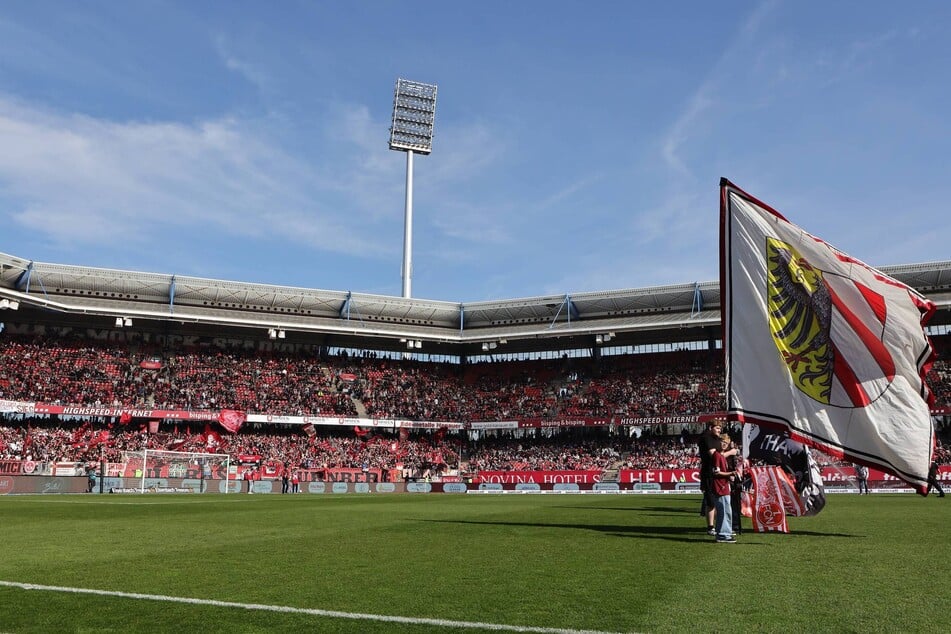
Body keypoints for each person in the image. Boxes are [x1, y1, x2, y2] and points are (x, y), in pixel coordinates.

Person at [698, 419, 737, 535]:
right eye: (717, 428)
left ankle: (721, 526)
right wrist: (731, 452)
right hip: (710, 474)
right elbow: (714, 456)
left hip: (716, 474)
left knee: (720, 503)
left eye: (720, 428)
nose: (719, 430)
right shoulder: (707, 438)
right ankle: (711, 527)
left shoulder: (715, 439)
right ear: (710, 427)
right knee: (711, 501)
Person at [712, 433, 738, 543]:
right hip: (720, 487)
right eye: (722, 442)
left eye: (726, 443)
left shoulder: (721, 456)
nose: (724, 444)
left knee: (725, 510)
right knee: (724, 511)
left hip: (723, 486)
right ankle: (724, 534)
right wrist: (730, 474)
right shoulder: (717, 456)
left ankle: (722, 533)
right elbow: (716, 472)